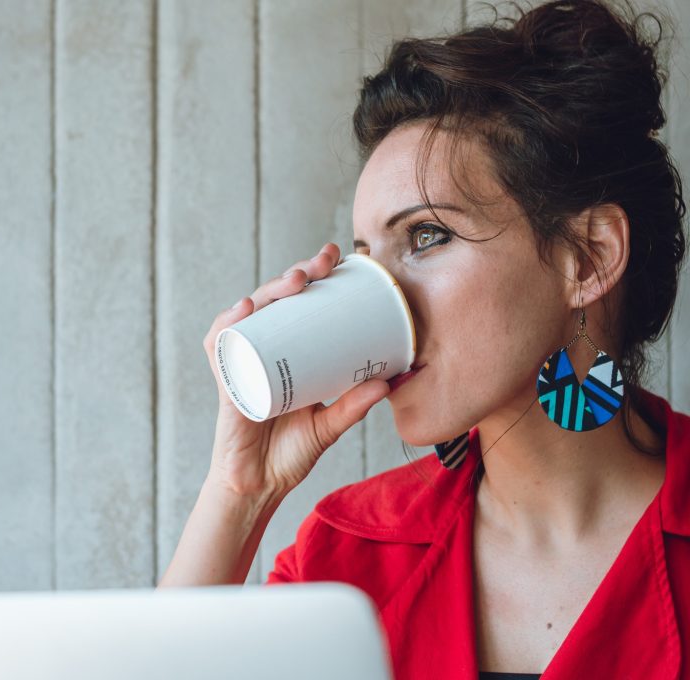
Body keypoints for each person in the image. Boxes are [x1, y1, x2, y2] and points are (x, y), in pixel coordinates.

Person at [158, 0, 690, 677]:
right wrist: (240, 492)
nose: (382, 299)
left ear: (587, 258)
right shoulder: (345, 558)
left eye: (427, 236)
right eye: (365, 260)